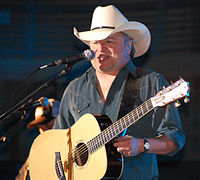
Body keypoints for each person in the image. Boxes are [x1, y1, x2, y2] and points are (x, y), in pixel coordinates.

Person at [53, 5, 185, 180]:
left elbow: (175, 140)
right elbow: (58, 141)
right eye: (95, 42)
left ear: (128, 46)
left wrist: (143, 145)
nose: (100, 48)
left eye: (109, 41)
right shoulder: (75, 88)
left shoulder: (151, 82)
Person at [15, 98, 60, 180]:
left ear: (60, 120)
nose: (43, 129)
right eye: (40, 127)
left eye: (48, 125)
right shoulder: (37, 152)